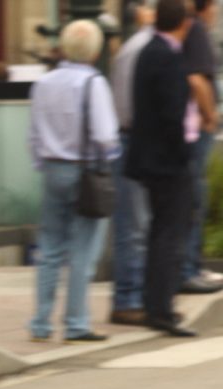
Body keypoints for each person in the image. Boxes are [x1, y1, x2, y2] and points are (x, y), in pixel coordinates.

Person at [27, 20, 119, 343]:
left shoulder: (45, 82)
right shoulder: (93, 83)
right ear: (94, 51)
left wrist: (44, 162)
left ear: (64, 47)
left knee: (50, 247)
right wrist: (110, 158)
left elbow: (34, 133)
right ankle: (77, 322)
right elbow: (106, 136)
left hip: (53, 169)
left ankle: (41, 322)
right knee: (83, 249)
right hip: (85, 172)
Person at [126, 0, 198, 336]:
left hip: (152, 160)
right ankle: (162, 309)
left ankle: (156, 304)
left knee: (160, 233)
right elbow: (172, 115)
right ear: (183, 23)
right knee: (170, 235)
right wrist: (184, 153)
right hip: (168, 163)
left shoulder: (148, 50)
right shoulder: (167, 56)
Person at [108, 3, 156, 326]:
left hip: (132, 139)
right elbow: (128, 108)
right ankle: (127, 299)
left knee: (137, 224)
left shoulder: (136, 47)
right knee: (133, 226)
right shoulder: (141, 48)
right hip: (131, 141)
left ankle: (134, 295)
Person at [177, 0, 223, 294]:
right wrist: (210, 115)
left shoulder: (191, 32)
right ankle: (189, 269)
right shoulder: (197, 33)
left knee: (194, 197)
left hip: (191, 130)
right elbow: (196, 79)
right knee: (195, 198)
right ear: (205, 8)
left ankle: (191, 266)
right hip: (197, 130)